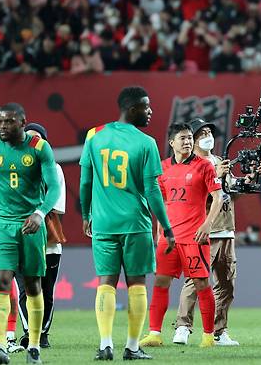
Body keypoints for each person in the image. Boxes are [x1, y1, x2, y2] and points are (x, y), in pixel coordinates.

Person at [79, 86, 175, 361]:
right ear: (132, 108)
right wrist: (167, 227)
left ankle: (105, 344)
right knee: (137, 285)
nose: (150, 112)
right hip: (136, 223)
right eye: (146, 107)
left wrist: (86, 215)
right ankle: (132, 347)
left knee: (105, 283)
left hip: (104, 223)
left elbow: (85, 181)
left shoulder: (94, 136)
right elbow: (152, 190)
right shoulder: (145, 143)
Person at [0, 103, 60, 365]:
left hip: (31, 225)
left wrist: (40, 213)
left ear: (22, 122)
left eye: (8, 122)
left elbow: (52, 187)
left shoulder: (39, 148)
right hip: (2, 225)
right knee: (1, 281)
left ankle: (33, 346)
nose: (1, 127)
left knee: (32, 285)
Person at [172, 118, 261, 346]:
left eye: (209, 132)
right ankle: (183, 327)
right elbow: (197, 196)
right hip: (203, 231)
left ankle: (219, 331)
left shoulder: (220, 161)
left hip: (227, 231)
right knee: (195, 281)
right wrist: (216, 176)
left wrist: (248, 179)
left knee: (226, 285)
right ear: (191, 140)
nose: (206, 136)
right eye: (201, 133)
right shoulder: (191, 166)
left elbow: (229, 193)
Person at [137, 122, 223, 349]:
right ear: (171, 142)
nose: (187, 142)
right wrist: (159, 232)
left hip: (194, 236)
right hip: (169, 238)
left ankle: (207, 336)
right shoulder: (162, 168)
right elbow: (161, 204)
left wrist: (207, 224)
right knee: (161, 282)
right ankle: (154, 333)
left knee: (202, 283)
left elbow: (218, 197)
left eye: (189, 138)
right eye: (182, 138)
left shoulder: (204, 166)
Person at [16, 123, 67, 350]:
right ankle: (29, 332)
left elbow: (56, 206)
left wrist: (35, 210)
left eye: (38, 138)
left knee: (46, 291)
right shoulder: (12, 167)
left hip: (49, 239)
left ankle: (43, 333)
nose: (33, 143)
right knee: (25, 289)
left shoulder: (54, 168)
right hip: (18, 235)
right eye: (29, 138)